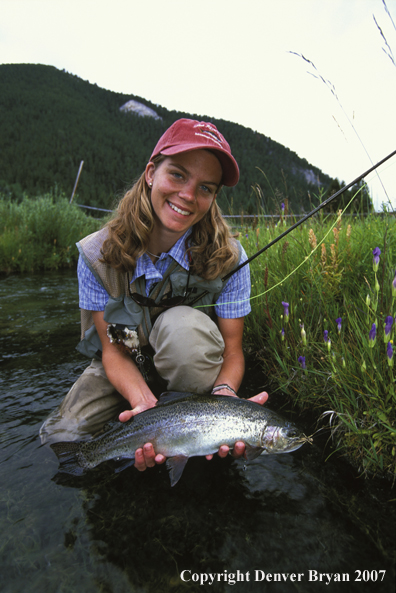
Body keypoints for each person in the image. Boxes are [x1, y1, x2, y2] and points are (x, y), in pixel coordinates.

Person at [40, 118, 268, 472]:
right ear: (150, 173)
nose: (189, 196)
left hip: (189, 379)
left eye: (206, 188)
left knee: (183, 331)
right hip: (124, 363)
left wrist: (225, 396)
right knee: (62, 435)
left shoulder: (230, 259)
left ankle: (188, 443)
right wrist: (144, 406)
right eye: (177, 175)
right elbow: (113, 353)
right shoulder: (96, 255)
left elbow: (233, 351)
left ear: (213, 196)